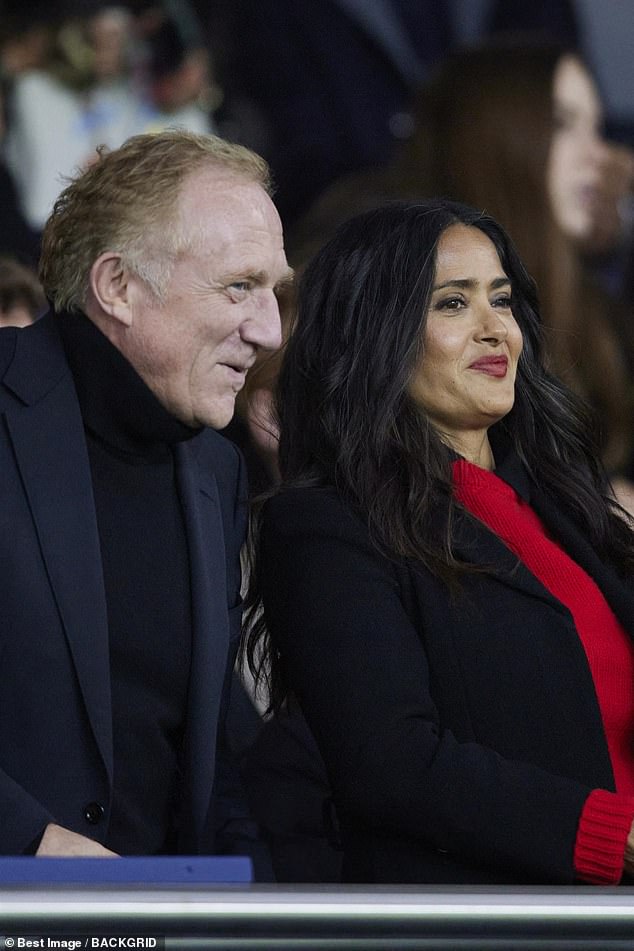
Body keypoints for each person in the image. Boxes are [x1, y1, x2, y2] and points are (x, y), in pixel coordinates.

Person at [244, 198, 634, 885]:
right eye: (452, 304)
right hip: (504, 919)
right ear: (378, 333)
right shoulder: (325, 526)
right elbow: (389, 759)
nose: (496, 330)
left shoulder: (566, 506)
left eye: (502, 299)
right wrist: (607, 834)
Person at [0, 128, 290, 858]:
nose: (270, 329)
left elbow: (209, 754)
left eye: (274, 290)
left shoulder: (213, 471)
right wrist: (26, 839)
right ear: (118, 286)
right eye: (239, 286)